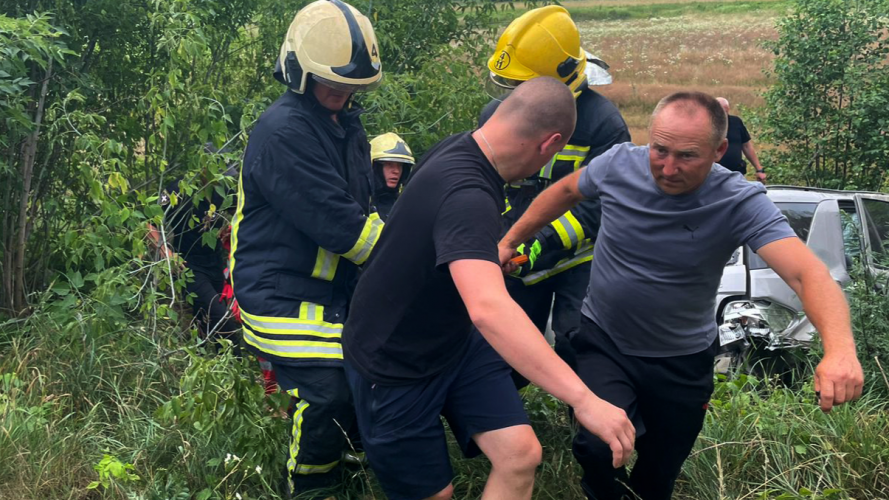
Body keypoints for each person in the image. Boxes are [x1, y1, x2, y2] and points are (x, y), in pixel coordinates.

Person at [499, 91, 865, 500]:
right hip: (605, 341)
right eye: (660, 150)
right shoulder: (619, 164)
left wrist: (840, 351)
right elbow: (566, 190)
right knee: (598, 447)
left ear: (719, 150)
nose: (668, 168)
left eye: (687, 156)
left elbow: (806, 273)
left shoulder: (738, 201)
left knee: (658, 474)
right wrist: (512, 238)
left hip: (682, 361)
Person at [342, 77, 636, 500]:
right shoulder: (469, 194)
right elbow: (488, 308)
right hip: (393, 363)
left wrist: (487, 250)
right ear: (550, 145)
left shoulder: (460, 146)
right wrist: (585, 400)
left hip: (454, 344)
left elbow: (448, 240)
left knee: (519, 455)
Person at [228, 1, 382, 496]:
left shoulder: (346, 129)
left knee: (372, 375)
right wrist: (412, 265)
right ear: (298, 70)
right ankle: (312, 489)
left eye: (350, 87)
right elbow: (342, 226)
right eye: (330, 82)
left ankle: (354, 476)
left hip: (329, 289)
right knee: (330, 389)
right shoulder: (285, 131)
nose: (340, 93)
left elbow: (365, 209)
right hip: (277, 290)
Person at [480, 5, 630, 378]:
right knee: (503, 352)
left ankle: (588, 427)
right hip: (512, 255)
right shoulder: (495, 116)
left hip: (578, 261)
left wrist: (533, 244)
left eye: (523, 84)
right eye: (512, 85)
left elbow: (597, 207)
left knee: (580, 344)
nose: (514, 94)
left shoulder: (603, 124)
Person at [149, 159, 239, 344]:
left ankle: (206, 362)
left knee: (206, 320)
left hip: (216, 263)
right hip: (188, 266)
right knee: (224, 321)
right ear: (205, 168)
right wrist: (166, 252)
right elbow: (148, 222)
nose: (221, 178)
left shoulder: (223, 191)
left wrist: (230, 232)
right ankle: (235, 361)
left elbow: (241, 215)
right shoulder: (179, 188)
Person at [716, 97, 766, 182]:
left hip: (736, 173)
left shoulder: (736, 122)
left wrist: (759, 169)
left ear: (728, 110)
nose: (723, 114)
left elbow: (746, 146)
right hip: (713, 175)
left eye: (725, 111)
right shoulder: (706, 124)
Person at [369, 132, 414, 221]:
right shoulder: (358, 203)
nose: (396, 171)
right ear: (375, 167)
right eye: (389, 164)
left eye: (400, 165)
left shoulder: (407, 205)